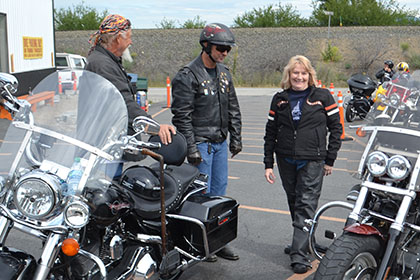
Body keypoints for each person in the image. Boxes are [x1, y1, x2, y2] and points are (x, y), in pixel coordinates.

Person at [263, 55, 342, 274]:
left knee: (306, 204)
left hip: (313, 159)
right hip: (286, 158)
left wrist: (330, 159)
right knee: (295, 202)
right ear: (289, 75)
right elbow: (270, 132)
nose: (299, 77)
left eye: (303, 73)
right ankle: (306, 242)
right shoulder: (279, 99)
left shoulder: (323, 96)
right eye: (295, 73)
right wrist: (268, 163)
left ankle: (299, 254)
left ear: (310, 75)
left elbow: (336, 129)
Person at [171, 23, 242, 261]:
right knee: (199, 198)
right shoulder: (188, 74)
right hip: (200, 144)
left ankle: (217, 242)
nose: (224, 52)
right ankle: (199, 245)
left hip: (220, 143)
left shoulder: (224, 73)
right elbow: (181, 114)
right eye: (221, 47)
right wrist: (191, 147)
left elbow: (233, 106)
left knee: (219, 197)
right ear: (206, 45)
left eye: (227, 49)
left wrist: (236, 137)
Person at [85, 14, 175, 144]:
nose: (130, 42)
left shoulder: (106, 60)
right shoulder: (102, 64)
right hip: (103, 142)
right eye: (129, 37)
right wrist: (155, 127)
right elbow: (122, 102)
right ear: (117, 40)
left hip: (106, 138)